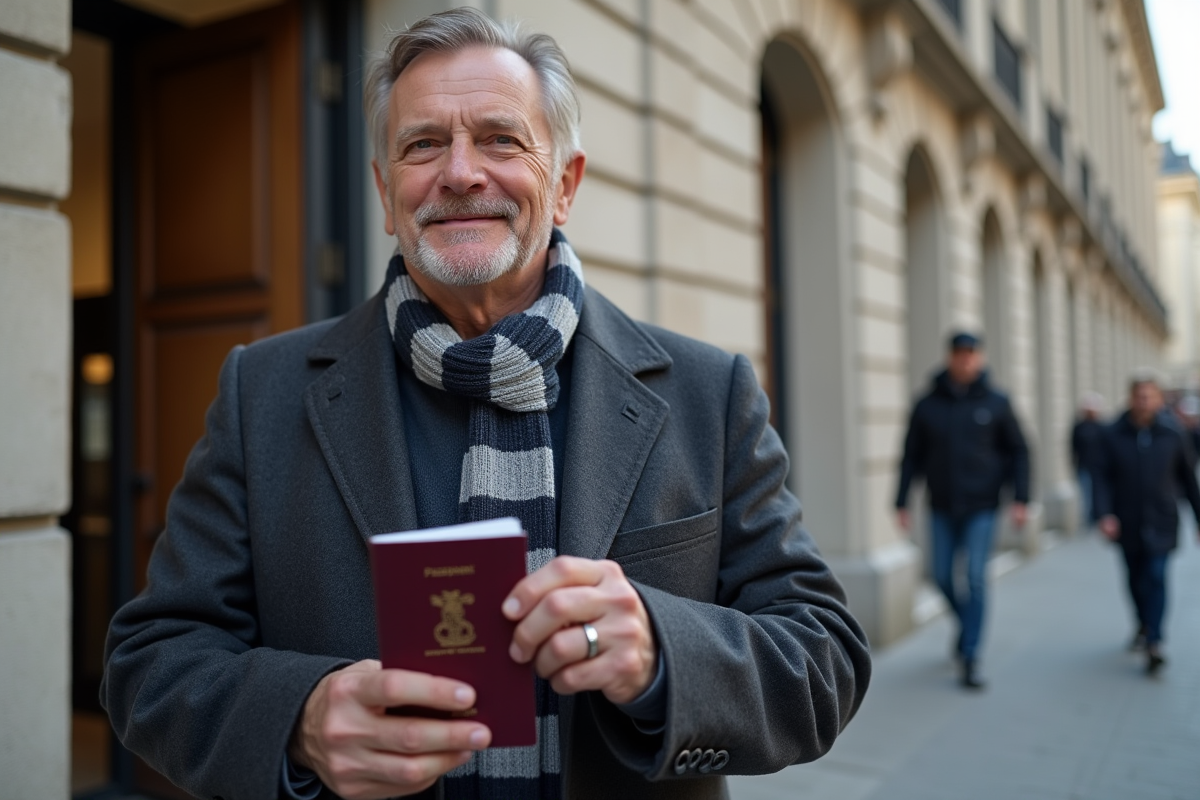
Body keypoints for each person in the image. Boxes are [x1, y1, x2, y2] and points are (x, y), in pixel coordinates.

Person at [100, 9, 870, 800]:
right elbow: (150, 664)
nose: (460, 172)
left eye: (500, 139)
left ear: (564, 184)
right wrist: (298, 718)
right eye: (422, 144)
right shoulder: (261, 391)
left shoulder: (709, 393)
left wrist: (662, 653)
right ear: (386, 194)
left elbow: (825, 662)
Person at [895, 332, 1030, 690]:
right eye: (959, 354)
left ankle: (970, 655)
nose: (965, 360)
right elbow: (911, 455)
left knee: (973, 576)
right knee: (940, 575)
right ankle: (967, 624)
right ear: (950, 357)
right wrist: (901, 500)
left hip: (982, 506)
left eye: (972, 354)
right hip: (941, 505)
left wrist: (1021, 499)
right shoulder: (927, 404)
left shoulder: (997, 402)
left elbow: (1019, 451)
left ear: (980, 358)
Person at [1093, 373, 1200, 676]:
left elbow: (1189, 480)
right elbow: (1101, 477)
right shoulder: (1113, 434)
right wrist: (1104, 513)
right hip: (1127, 520)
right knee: (1135, 577)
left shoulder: (1173, 433)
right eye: (1139, 396)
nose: (1144, 401)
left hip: (1163, 518)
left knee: (1156, 575)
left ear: (1158, 399)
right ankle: (1142, 622)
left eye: (1150, 396)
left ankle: (1154, 640)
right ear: (1130, 398)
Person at [1071, 392, 1106, 529]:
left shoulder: (1102, 427)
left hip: (1098, 466)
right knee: (1086, 492)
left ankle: (1097, 514)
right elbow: (1073, 446)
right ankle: (1089, 517)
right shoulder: (1079, 427)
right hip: (1084, 465)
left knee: (1096, 491)